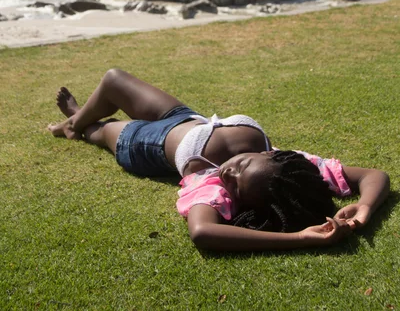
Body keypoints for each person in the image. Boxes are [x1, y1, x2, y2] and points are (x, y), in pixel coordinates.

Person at [48, 69, 390, 253]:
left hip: (145, 145)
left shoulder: (210, 185)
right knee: (112, 79)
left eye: (234, 183)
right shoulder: (293, 165)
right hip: (185, 117)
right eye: (241, 166)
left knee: (100, 131)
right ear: (270, 155)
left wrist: (300, 237)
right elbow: (375, 175)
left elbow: (202, 232)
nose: (228, 172)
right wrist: (365, 207)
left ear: (237, 198)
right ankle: (78, 119)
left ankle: (76, 124)